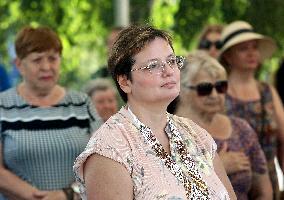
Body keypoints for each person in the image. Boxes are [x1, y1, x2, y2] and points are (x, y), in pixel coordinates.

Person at [73, 25, 236, 200]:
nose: (168, 71)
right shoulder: (109, 148)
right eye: (153, 66)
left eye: (172, 61)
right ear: (125, 82)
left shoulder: (195, 134)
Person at [0, 26, 102, 200]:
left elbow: (103, 162)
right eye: (37, 60)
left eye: (52, 58)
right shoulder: (3, 105)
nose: (46, 67)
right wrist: (39, 197)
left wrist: (68, 194)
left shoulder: (81, 103)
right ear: (19, 65)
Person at [175, 51, 272, 200]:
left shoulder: (241, 128)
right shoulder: (168, 132)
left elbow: (264, 191)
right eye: (205, 88)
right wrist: (215, 169)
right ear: (183, 90)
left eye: (221, 87)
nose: (214, 95)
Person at [219, 20, 284, 200]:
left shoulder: (267, 92)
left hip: (269, 182)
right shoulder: (218, 93)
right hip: (234, 184)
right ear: (228, 56)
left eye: (254, 47)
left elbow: (283, 138)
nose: (251, 53)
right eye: (243, 48)